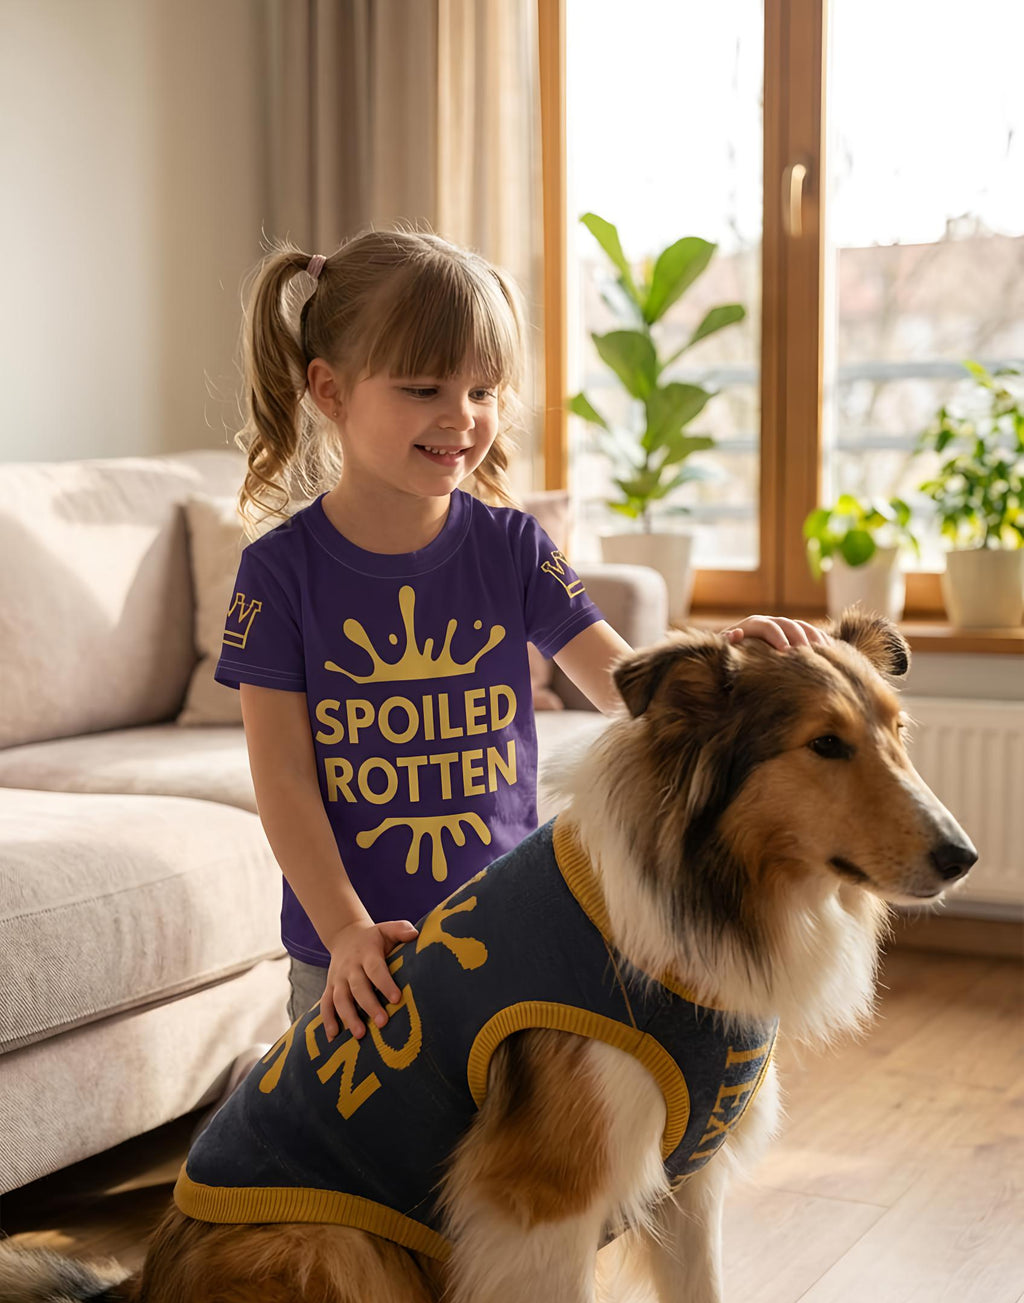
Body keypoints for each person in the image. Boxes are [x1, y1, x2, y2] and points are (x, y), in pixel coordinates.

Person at [217, 227, 827, 1054]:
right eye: (423, 387)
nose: (460, 418)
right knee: (359, 1174)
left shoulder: (513, 546)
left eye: (482, 390)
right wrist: (347, 931)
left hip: (508, 932)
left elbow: (627, 686)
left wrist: (729, 664)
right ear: (329, 391)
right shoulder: (278, 572)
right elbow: (283, 780)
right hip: (353, 960)